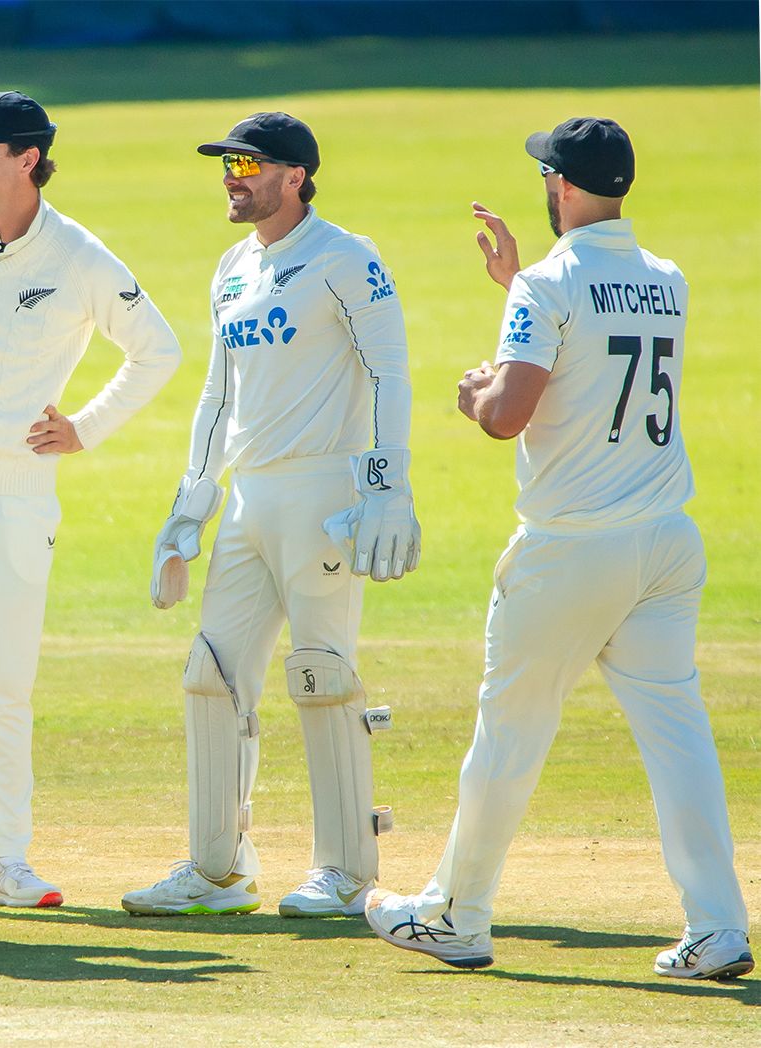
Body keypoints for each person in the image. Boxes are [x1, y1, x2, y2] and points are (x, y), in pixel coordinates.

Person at [365, 117, 752, 980]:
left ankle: (458, 916)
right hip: (665, 543)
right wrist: (517, 293)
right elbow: (595, 358)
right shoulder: (667, 278)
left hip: (573, 548)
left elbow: (509, 415)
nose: (543, 186)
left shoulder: (549, 285)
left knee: (508, 734)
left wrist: (475, 394)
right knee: (677, 735)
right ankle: (718, 925)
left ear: (565, 188)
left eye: (546, 174)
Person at [123, 112, 418, 919]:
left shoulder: (345, 259)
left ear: (295, 176)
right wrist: (191, 504)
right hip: (249, 499)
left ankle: (348, 868)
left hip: (324, 491)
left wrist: (387, 487)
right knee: (211, 675)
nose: (232, 176)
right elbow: (218, 396)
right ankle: (216, 870)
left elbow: (390, 371)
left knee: (322, 673)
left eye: (247, 163)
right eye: (226, 163)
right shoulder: (231, 266)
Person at [0, 91, 182, 907]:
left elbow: (157, 349)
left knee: (7, 687)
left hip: (18, 498)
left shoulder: (77, 255)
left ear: (27, 160)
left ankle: (2, 862)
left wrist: (87, 427)